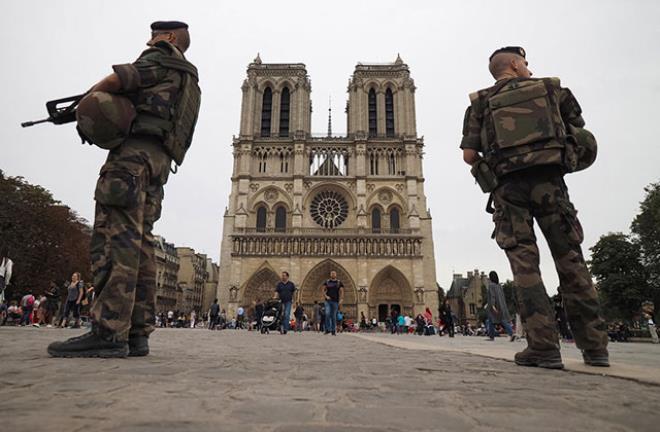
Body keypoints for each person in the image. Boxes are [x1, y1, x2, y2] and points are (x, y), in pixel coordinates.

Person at [48, 21, 201, 358]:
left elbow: (120, 80)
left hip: (131, 159)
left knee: (116, 241)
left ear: (170, 38)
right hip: (158, 162)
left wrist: (85, 104)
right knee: (143, 245)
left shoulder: (160, 57)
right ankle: (136, 334)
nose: (150, 39)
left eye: (157, 34)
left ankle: (107, 332)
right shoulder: (189, 78)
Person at [460, 46, 608, 369]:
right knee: (571, 260)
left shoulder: (480, 104)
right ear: (514, 64)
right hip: (551, 186)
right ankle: (595, 348)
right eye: (525, 62)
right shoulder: (551, 89)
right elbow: (579, 130)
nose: (529, 67)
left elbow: (469, 156)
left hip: (509, 191)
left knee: (525, 268)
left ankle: (544, 348)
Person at [484, 271, 514, 341]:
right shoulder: (499, 286)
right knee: (492, 320)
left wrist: (493, 306)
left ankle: (512, 333)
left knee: (501, 320)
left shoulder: (491, 286)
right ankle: (492, 336)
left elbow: (492, 296)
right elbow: (502, 296)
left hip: (495, 306)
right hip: (501, 305)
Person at [322, 271, 343, 335]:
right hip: (328, 301)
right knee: (327, 313)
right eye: (332, 273)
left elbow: (342, 291)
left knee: (333, 316)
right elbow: (323, 290)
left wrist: (341, 299)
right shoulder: (327, 282)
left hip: (335, 301)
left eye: (334, 273)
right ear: (330, 275)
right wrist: (326, 296)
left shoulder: (339, 282)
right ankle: (328, 329)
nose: (333, 274)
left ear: (336, 275)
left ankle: (333, 330)